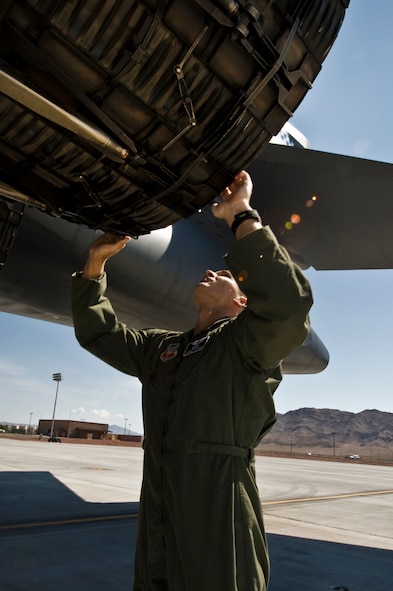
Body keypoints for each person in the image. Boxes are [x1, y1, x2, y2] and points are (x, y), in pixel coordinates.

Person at [72, 170, 313, 591]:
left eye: (224, 275)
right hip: (159, 504)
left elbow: (288, 306)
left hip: (218, 503)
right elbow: (100, 334)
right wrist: (94, 266)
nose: (210, 271)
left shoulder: (244, 344)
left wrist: (239, 214)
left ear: (241, 302)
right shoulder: (164, 348)